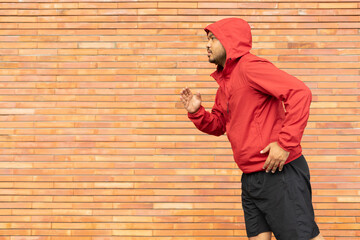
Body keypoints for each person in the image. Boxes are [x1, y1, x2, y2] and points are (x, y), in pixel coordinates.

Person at [180, 18, 325, 240]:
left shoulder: (250, 67)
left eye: (212, 39)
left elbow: (300, 93)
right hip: (250, 178)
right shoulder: (225, 83)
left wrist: (285, 143)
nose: (207, 46)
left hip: (279, 173)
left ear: (229, 41)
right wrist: (197, 112)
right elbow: (220, 125)